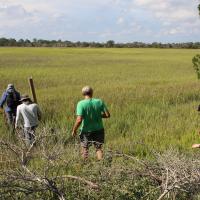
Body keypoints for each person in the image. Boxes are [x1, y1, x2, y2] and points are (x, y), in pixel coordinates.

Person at [72, 86, 110, 160]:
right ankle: (101, 165)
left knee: (85, 149)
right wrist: (98, 115)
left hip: (86, 131)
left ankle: (85, 166)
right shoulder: (99, 102)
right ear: (92, 92)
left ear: (83, 94)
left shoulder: (81, 104)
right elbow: (107, 115)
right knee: (98, 148)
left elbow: (79, 120)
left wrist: (74, 130)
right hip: (99, 129)